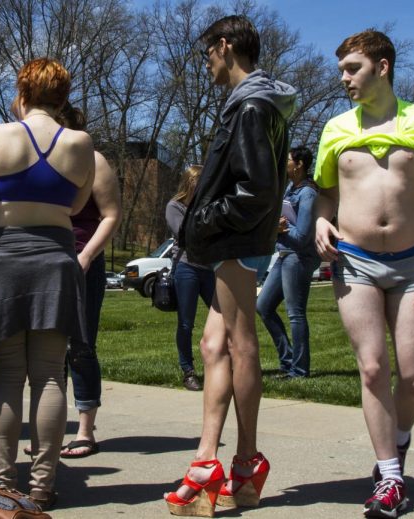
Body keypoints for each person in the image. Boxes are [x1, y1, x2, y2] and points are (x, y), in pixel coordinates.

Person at [314, 30, 414, 518]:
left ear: (383, 67)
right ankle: (390, 479)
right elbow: (325, 193)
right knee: (373, 366)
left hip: (412, 263)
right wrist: (319, 218)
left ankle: (397, 442)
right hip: (354, 260)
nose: (344, 79)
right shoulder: (335, 129)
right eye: (341, 71)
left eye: (352, 68)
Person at [164, 16, 296, 516]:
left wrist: (201, 219)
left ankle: (244, 460)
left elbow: (256, 190)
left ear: (225, 46)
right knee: (212, 342)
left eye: (207, 54)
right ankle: (207, 460)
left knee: (240, 345)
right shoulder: (257, 103)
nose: (206, 64)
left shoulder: (251, 105)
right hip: (236, 241)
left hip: (237, 240)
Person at [0, 58, 95, 509]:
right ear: (63, 97)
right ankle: (42, 487)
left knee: (7, 375)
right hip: (56, 259)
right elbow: (76, 205)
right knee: (51, 377)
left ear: (23, 93)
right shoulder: (82, 143)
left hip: (2, 260)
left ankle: (6, 484)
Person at [59, 102, 121, 458]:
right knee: (45, 352)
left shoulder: (94, 159)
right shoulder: (39, 158)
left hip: (82, 260)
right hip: (42, 261)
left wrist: (85, 256)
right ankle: (49, 430)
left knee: (80, 346)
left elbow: (111, 215)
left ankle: (85, 431)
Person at [256, 146, 319, 379]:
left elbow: (302, 236)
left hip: (298, 257)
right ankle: (288, 360)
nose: (285, 165)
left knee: (295, 313)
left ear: (300, 164)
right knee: (262, 306)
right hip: (284, 255)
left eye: (288, 161)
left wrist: (283, 228)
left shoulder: (308, 194)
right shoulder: (291, 190)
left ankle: (300, 370)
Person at [165, 165, 214, 392]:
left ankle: (223, 364)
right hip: (186, 267)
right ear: (190, 183)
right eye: (199, 183)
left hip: (209, 268)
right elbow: (185, 236)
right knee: (186, 322)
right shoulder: (174, 206)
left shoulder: (209, 206)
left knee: (223, 317)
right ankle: (188, 371)